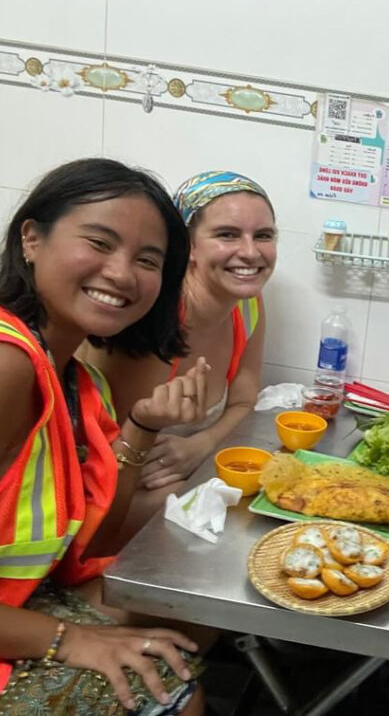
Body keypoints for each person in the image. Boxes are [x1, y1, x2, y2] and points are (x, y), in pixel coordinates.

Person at [0, 158, 211, 716]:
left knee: (185, 623)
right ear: (31, 239)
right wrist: (64, 638)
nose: (122, 273)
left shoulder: (77, 379)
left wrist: (142, 426)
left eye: (147, 260)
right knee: (165, 689)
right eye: (100, 242)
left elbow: (88, 544)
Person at [84, 170, 276, 536]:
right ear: (186, 246)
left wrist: (202, 443)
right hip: (109, 501)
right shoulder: (150, 316)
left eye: (263, 235)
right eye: (227, 234)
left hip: (185, 479)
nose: (251, 252)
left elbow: (243, 401)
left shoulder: (247, 307)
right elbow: (107, 464)